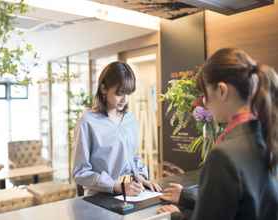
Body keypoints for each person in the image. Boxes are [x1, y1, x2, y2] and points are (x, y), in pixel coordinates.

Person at [158, 48, 278, 220]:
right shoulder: (268, 136)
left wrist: (176, 217)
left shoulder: (223, 155)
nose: (205, 103)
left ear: (222, 90)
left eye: (205, 95)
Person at [73, 61, 161, 196]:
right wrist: (115, 186)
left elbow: (133, 157)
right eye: (119, 93)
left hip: (130, 194)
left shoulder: (130, 119)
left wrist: (142, 179)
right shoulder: (87, 121)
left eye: (128, 94)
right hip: (100, 198)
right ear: (103, 89)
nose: (124, 100)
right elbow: (81, 172)